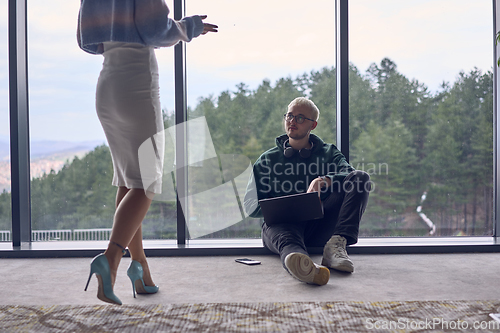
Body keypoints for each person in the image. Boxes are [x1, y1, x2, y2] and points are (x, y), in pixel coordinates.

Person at [78, 0, 217, 305]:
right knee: (148, 183)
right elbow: (157, 30)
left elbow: (86, 39)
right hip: (136, 87)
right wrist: (188, 27)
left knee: (129, 181)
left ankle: (140, 269)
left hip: (107, 87)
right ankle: (110, 259)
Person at [244, 97, 371, 286]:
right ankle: (303, 264)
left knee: (360, 178)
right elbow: (249, 206)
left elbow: (349, 173)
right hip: (282, 227)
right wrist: (282, 207)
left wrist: (324, 180)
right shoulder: (267, 159)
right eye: (289, 116)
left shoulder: (329, 153)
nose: (292, 121)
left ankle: (335, 246)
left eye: (300, 118)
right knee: (287, 239)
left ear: (313, 125)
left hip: (320, 227)